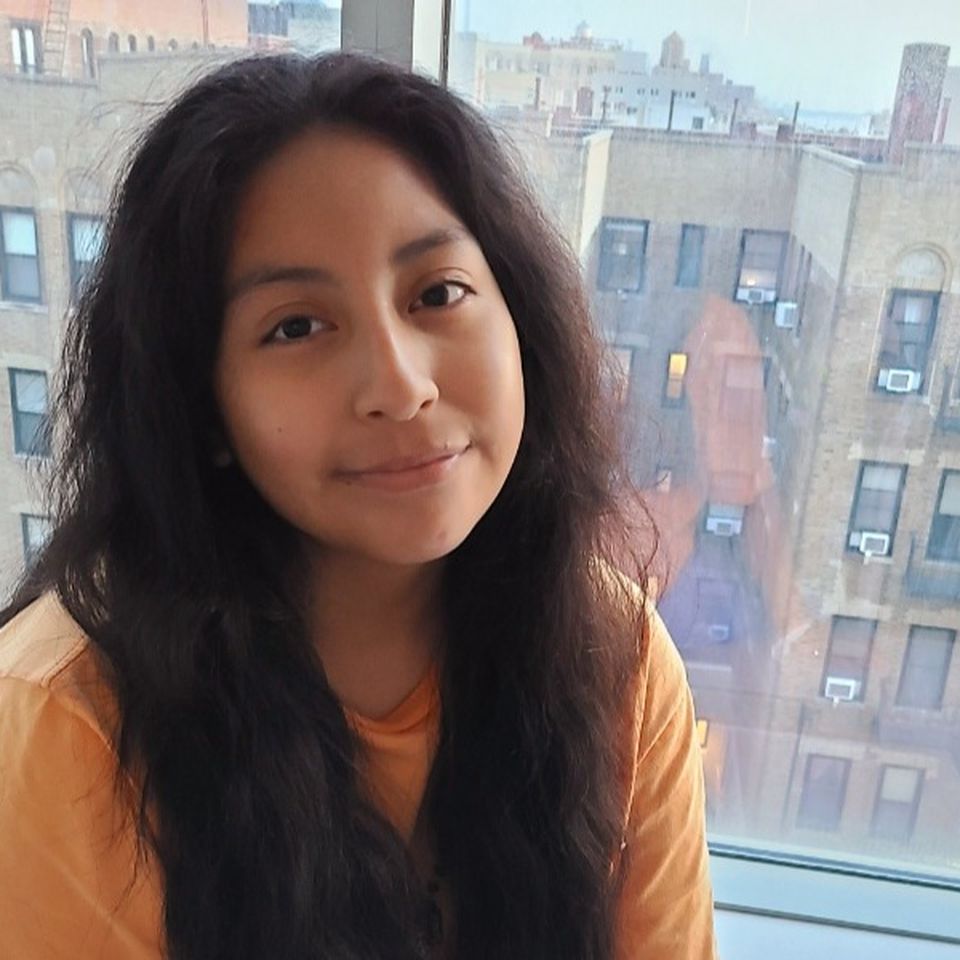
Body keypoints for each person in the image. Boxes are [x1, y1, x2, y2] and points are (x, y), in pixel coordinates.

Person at [0, 53, 715, 960]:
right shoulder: (63, 727)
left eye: (437, 293)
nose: (401, 385)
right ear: (202, 405)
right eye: (296, 326)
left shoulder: (612, 654)